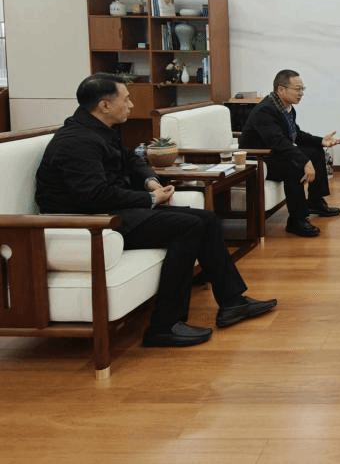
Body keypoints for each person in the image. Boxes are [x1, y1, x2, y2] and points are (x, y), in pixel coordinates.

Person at [35, 74, 277, 348]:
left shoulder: (100, 129)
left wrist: (150, 181)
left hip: (112, 210)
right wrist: (149, 198)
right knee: (190, 227)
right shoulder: (76, 142)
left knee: (208, 220)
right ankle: (164, 326)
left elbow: (131, 160)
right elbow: (93, 196)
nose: (131, 104)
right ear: (104, 105)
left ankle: (232, 302)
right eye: (126, 99)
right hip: (92, 221)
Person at [240, 69, 340, 237]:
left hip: (274, 153)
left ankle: (315, 202)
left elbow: (296, 134)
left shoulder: (287, 108)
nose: (301, 93)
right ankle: (296, 220)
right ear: (281, 89)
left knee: (316, 151)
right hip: (259, 159)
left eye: (302, 89)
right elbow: (278, 142)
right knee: (294, 165)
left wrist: (320, 141)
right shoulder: (264, 111)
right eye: (297, 89)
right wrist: (304, 162)